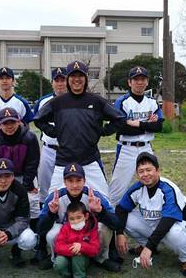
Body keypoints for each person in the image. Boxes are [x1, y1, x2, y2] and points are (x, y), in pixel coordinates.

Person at [34, 60, 125, 198]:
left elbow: (119, 118)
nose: (77, 79)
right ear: (68, 79)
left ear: (86, 78)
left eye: (80, 76)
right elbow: (38, 119)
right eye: (73, 76)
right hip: (63, 160)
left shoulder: (96, 101)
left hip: (90, 159)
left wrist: (102, 131)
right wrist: (54, 132)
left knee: (104, 199)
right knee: (53, 201)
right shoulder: (57, 102)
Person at [115, 152, 186, 277]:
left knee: (173, 233)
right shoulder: (138, 188)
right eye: (141, 171)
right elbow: (120, 209)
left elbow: (168, 220)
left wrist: (149, 246)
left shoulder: (168, 188)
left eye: (149, 170)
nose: (145, 174)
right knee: (126, 219)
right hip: (157, 224)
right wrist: (119, 233)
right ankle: (148, 247)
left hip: (181, 226)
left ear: (158, 171)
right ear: (137, 175)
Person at [36, 162, 121, 272]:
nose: (75, 185)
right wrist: (51, 214)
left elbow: (116, 223)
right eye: (70, 181)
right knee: (53, 233)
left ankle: (101, 258)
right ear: (64, 182)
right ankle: (56, 257)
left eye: (78, 180)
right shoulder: (55, 197)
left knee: (103, 227)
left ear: (85, 181)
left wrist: (101, 211)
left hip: (89, 236)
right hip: (66, 237)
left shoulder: (94, 196)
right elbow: (39, 229)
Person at [108, 66, 163, 206]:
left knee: (152, 182)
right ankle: (112, 219)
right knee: (117, 188)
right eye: (136, 79)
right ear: (129, 82)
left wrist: (137, 124)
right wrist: (147, 125)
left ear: (147, 82)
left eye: (142, 79)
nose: (139, 82)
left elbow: (158, 126)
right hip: (126, 149)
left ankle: (150, 213)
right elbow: (121, 128)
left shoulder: (152, 102)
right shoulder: (122, 101)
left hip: (146, 147)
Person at [0, 107, 40, 227]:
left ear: (19, 121)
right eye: (5, 123)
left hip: (25, 175)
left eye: (12, 122)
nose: (9, 126)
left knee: (31, 200)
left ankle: (35, 230)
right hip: (2, 176)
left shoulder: (29, 137)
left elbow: (32, 163)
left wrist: (27, 186)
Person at [34, 67, 67, 205]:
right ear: (52, 83)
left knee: (67, 183)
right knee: (44, 185)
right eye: (57, 80)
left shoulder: (75, 100)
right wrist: (52, 131)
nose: (60, 84)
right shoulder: (43, 101)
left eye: (63, 80)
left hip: (68, 149)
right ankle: (44, 214)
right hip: (49, 149)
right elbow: (37, 121)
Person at [54, 201, 99, 278]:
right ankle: (68, 276)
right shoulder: (65, 228)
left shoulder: (91, 228)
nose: (75, 221)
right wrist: (73, 248)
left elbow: (95, 249)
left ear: (86, 216)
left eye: (79, 217)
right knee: (59, 262)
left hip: (82, 259)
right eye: (72, 219)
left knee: (78, 254)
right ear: (68, 218)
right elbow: (58, 247)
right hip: (67, 256)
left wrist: (82, 246)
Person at [0, 67, 33, 133]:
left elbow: (26, 125)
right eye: (1, 78)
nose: (4, 81)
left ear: (13, 81)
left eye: (8, 78)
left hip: (17, 141)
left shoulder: (22, 103)